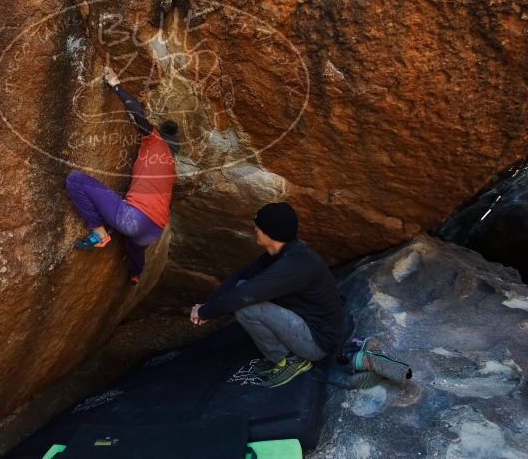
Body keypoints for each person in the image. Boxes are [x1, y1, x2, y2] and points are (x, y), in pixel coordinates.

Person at [190, 202, 344, 388]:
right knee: (241, 285)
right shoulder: (280, 255)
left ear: (271, 233)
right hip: (302, 323)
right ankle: (282, 356)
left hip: (316, 342)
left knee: (246, 305)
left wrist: (206, 312)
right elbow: (241, 276)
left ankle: (288, 360)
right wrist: (207, 306)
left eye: (259, 226)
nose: (255, 228)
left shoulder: (295, 264)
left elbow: (245, 296)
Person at [65, 66, 178, 286]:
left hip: (134, 220)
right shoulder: (171, 169)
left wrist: (116, 85)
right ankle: (136, 274)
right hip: (154, 231)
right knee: (135, 247)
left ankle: (99, 234)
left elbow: (137, 114)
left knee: (75, 180)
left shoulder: (155, 140)